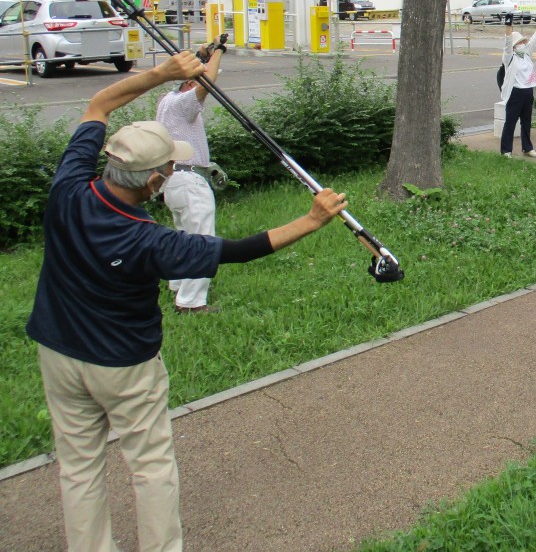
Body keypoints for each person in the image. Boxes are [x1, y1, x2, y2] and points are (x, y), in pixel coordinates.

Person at [24, 51, 348, 552]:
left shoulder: (68, 188)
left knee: (78, 467)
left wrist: (162, 74)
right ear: (155, 182)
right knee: (150, 465)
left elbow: (99, 104)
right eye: (168, 167)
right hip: (124, 366)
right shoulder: (149, 240)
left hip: (57, 353)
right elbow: (237, 251)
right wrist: (311, 220)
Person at [155, 36, 228, 313]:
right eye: (197, 79)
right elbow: (206, 83)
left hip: (174, 182)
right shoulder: (184, 103)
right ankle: (191, 303)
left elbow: (200, 76)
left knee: (183, 237)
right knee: (201, 240)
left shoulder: (167, 101)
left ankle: (177, 283)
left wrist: (203, 54)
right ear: (188, 83)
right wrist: (219, 52)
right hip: (189, 180)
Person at [500, 12, 536, 158]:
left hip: (528, 91)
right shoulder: (509, 57)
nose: (523, 44)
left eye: (523, 42)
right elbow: (507, 43)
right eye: (520, 42)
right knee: (511, 122)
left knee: (526, 121)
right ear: (514, 46)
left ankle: (527, 148)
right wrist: (508, 25)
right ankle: (506, 150)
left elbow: (535, 40)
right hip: (515, 92)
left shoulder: (526, 54)